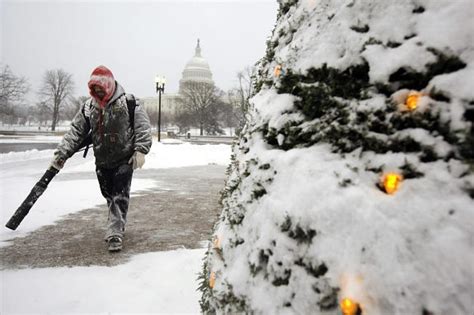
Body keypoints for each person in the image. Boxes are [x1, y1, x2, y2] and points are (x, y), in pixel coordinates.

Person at [50, 65, 152, 252]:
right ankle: (117, 222)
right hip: (102, 161)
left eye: (100, 88)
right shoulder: (89, 107)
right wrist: (62, 154)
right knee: (109, 195)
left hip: (124, 159)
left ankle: (115, 233)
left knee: (119, 196)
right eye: (94, 89)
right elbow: (75, 132)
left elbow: (143, 128)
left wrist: (141, 151)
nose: (97, 93)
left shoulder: (130, 103)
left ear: (109, 86)